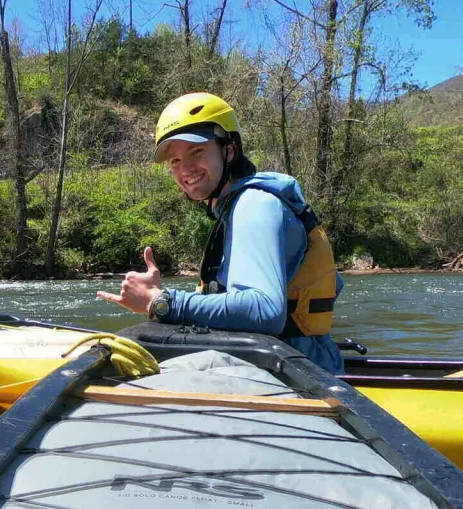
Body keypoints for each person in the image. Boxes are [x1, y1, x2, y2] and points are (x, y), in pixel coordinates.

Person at [98, 92, 344, 375]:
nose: (185, 169)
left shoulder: (255, 206)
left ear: (229, 150)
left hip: (295, 373)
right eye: (175, 161)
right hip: (274, 363)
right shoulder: (237, 208)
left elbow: (265, 311)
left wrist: (162, 302)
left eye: (197, 151)